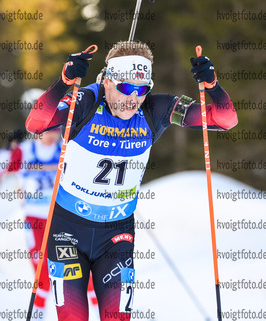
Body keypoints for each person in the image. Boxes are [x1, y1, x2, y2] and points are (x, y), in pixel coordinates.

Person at [26, 41, 238, 321]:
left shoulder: (156, 109)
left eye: (142, 89)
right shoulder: (86, 102)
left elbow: (226, 120)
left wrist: (212, 86)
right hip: (68, 229)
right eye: (127, 87)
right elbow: (36, 124)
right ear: (108, 81)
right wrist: (64, 81)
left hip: (116, 235)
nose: (133, 98)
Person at [18, 129, 62, 319]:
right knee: (42, 275)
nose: (52, 134)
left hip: (61, 219)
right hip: (36, 221)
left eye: (56, 129)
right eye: (47, 130)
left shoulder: (65, 148)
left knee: (73, 273)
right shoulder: (24, 150)